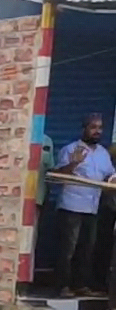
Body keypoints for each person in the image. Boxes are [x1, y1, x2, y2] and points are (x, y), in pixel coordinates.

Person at [54, 113, 115, 296]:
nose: (97, 131)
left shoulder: (103, 153)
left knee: (86, 249)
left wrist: (112, 181)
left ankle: (80, 285)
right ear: (84, 129)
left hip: (92, 207)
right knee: (67, 250)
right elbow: (59, 175)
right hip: (71, 206)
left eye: (100, 128)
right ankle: (62, 286)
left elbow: (110, 175)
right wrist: (74, 163)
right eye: (93, 127)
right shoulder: (70, 149)